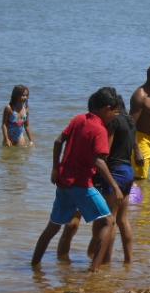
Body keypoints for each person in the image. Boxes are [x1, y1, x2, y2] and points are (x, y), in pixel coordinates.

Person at [31, 87, 123, 272]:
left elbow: (58, 141)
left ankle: (34, 266)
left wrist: (55, 168)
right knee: (109, 222)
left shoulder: (79, 119)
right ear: (106, 108)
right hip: (82, 185)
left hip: (64, 182)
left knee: (53, 227)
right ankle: (93, 271)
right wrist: (115, 186)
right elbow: (98, 161)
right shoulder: (100, 130)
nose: (115, 115)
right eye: (115, 111)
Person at [58, 95, 144, 264]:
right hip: (127, 172)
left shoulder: (111, 123)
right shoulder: (130, 121)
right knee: (121, 219)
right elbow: (133, 144)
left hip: (110, 173)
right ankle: (127, 261)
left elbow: (104, 153)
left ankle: (101, 260)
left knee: (100, 220)